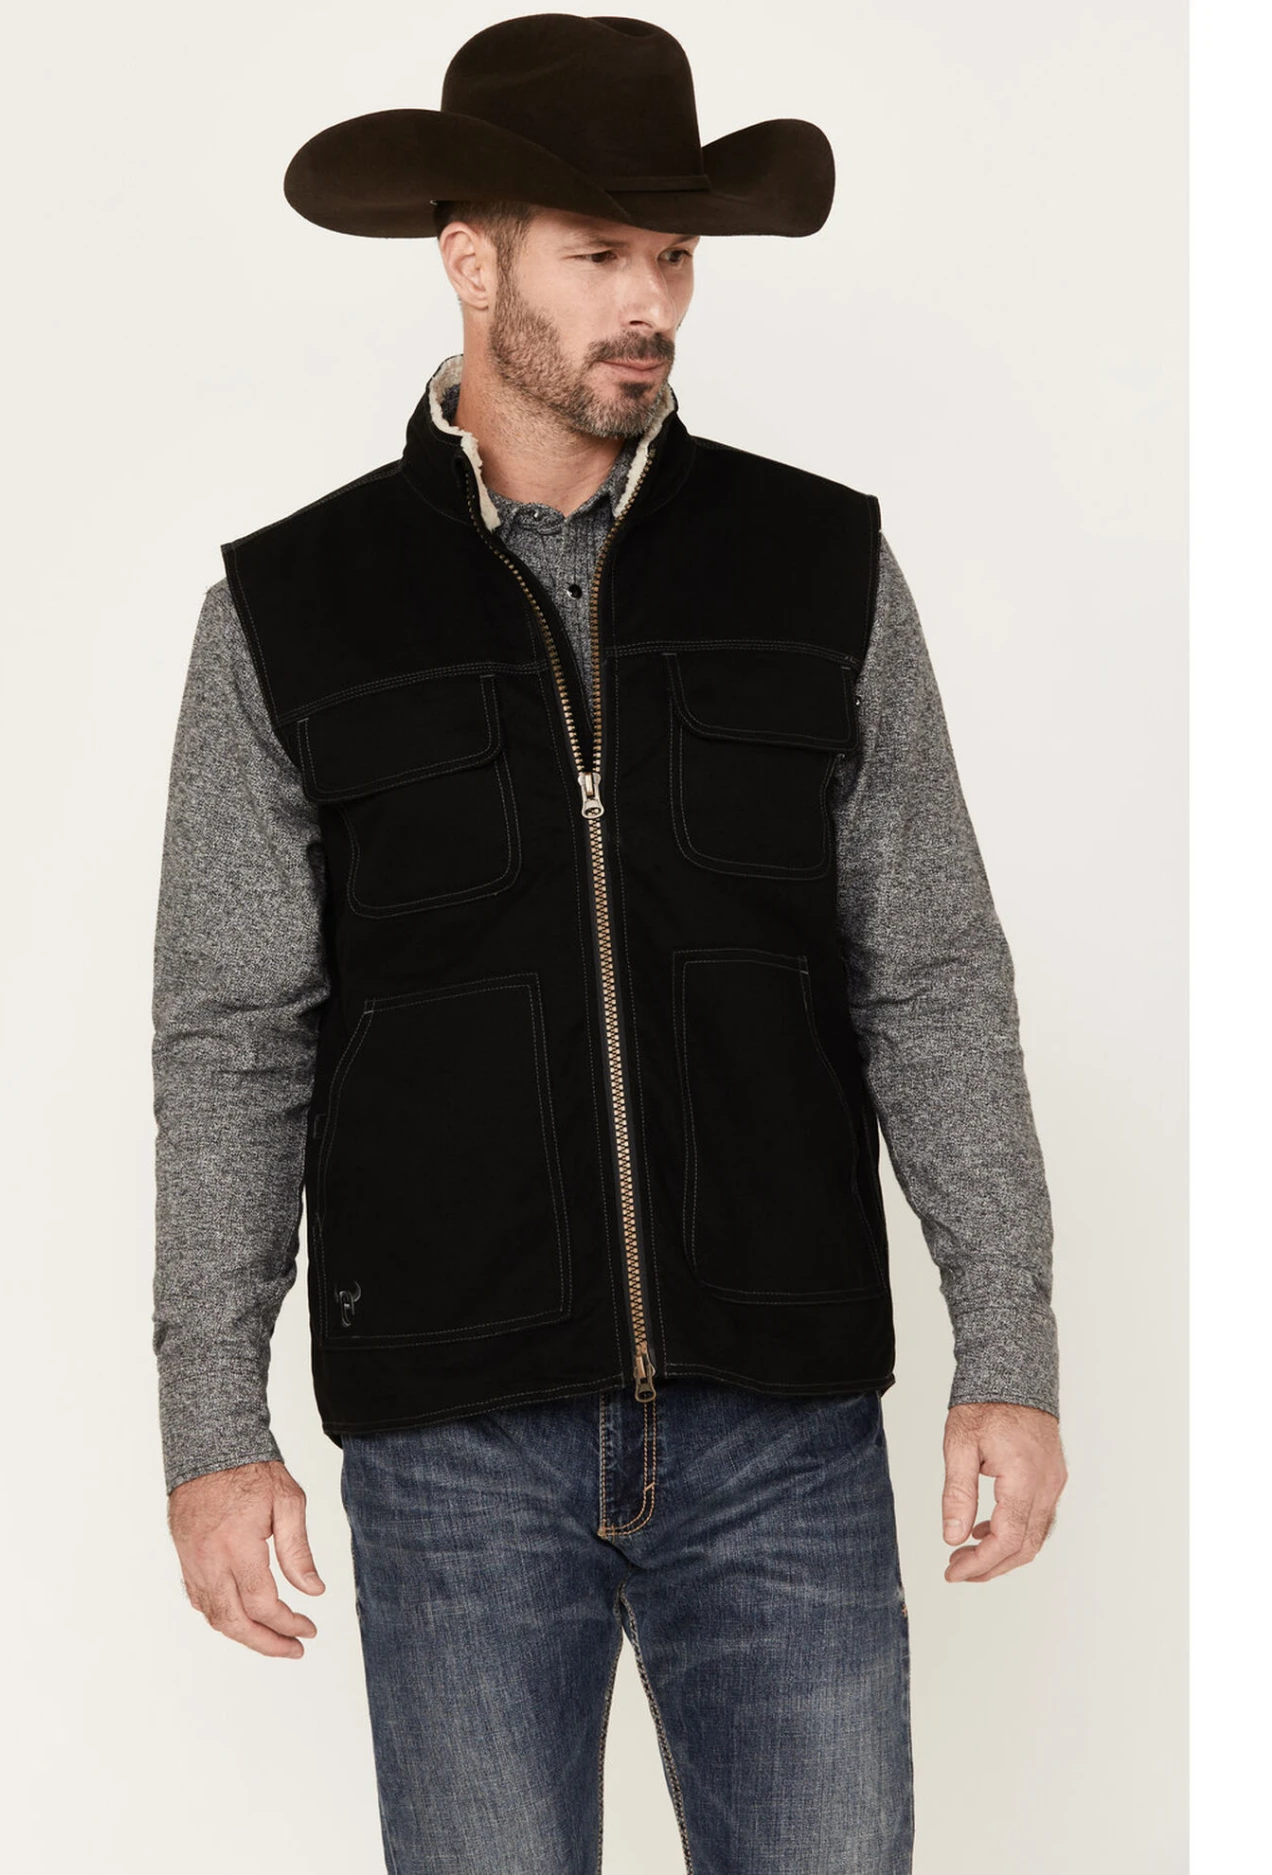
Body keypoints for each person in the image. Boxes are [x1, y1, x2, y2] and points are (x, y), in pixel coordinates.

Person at [151, 16, 1068, 1871]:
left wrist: (1011, 1346)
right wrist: (209, 1419)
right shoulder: (293, 609)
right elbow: (233, 1035)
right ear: (470, 259)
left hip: (783, 1428)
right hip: (455, 1445)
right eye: (598, 254)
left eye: (674, 255)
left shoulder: (819, 569)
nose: (650, 303)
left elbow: (932, 972)